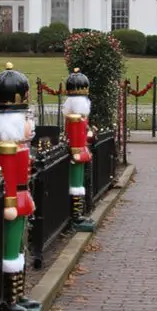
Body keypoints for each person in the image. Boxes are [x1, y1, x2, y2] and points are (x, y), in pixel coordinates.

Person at [0, 63, 39, 311]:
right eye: (26, 120)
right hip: (13, 201)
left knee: (19, 247)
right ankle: (9, 300)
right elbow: (5, 177)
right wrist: (8, 204)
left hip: (21, 197)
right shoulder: (7, 148)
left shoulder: (19, 146)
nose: (31, 124)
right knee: (10, 251)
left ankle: (18, 293)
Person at [63, 68, 93, 224]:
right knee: (76, 185)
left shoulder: (80, 118)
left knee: (79, 184)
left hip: (81, 152)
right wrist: (78, 154)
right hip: (78, 155)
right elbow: (75, 142)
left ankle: (78, 212)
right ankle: (76, 215)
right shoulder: (76, 118)